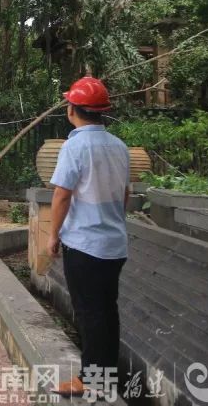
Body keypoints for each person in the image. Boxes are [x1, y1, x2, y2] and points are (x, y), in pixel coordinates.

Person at [47, 76, 130, 398]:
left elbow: (62, 196)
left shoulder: (75, 146)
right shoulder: (119, 146)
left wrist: (52, 234)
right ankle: (107, 374)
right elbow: (125, 195)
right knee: (107, 310)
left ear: (72, 110)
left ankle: (91, 379)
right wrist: (113, 223)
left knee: (89, 312)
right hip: (114, 244)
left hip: (85, 245)